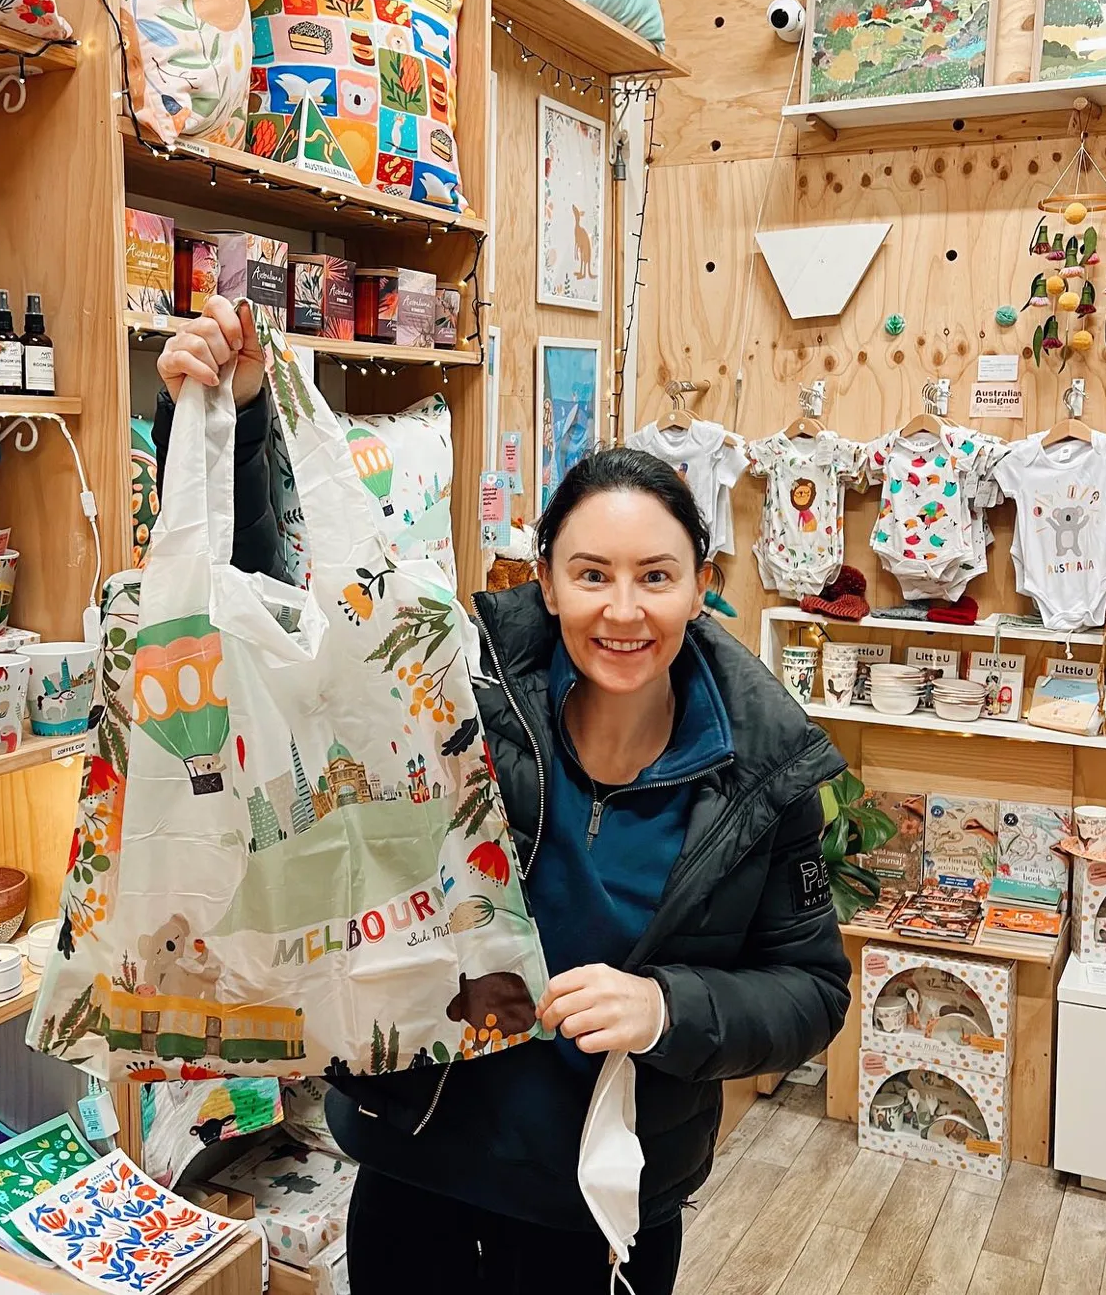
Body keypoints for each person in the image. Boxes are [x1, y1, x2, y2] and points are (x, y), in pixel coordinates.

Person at [155, 298, 851, 1295]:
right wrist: (241, 411)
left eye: (655, 576)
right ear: (548, 583)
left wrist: (666, 1006)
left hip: (601, 1198)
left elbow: (810, 993)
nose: (623, 609)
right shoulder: (453, 683)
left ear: (701, 585)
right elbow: (279, 649)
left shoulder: (762, 769)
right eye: (591, 574)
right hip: (418, 1163)